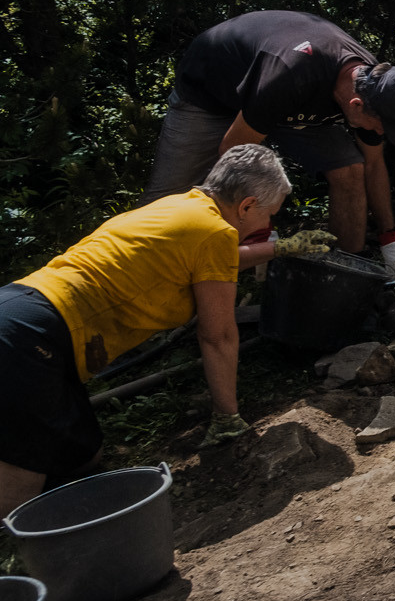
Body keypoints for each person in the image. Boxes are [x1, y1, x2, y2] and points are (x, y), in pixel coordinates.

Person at [1, 144, 301, 513]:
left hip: (20, 310)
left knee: (81, 455)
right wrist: (227, 416)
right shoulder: (215, 232)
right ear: (247, 206)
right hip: (30, 338)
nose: (268, 225)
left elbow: (212, 261)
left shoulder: (182, 207)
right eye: (269, 214)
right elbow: (217, 336)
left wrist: (281, 248)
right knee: (17, 498)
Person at [143, 12, 395, 274]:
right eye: (380, 126)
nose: (381, 132)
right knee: (166, 198)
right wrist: (261, 231)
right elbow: (233, 152)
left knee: (350, 169)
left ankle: (342, 275)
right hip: (213, 93)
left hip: (289, 104)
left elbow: (373, 164)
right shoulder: (291, 72)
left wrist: (389, 236)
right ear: (356, 105)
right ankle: (146, 270)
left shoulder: (376, 90)